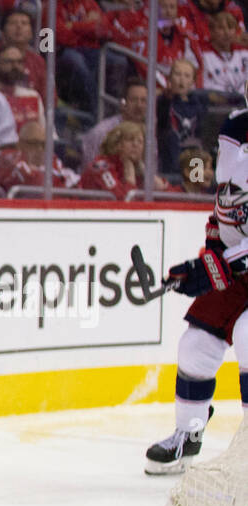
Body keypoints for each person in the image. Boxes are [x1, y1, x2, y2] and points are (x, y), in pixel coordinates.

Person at [150, 78, 248, 472]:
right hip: (239, 263)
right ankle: (188, 435)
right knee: (195, 347)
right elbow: (227, 205)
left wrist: (215, 269)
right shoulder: (235, 126)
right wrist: (205, 262)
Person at [80, 121, 171, 200]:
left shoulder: (137, 167)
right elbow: (123, 200)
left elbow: (169, 196)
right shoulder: (101, 167)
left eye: (140, 141)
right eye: (130, 140)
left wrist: (145, 171)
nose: (136, 145)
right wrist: (129, 174)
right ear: (117, 144)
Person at [0, 119, 78, 192]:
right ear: (20, 144)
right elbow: (31, 179)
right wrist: (61, 180)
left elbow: (72, 179)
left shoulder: (53, 160)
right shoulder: (9, 161)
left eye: (43, 145)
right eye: (34, 143)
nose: (40, 149)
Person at [80, 78, 147, 167]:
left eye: (143, 101)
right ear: (123, 104)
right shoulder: (102, 132)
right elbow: (90, 169)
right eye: (134, 100)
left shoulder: (149, 135)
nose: (139, 105)